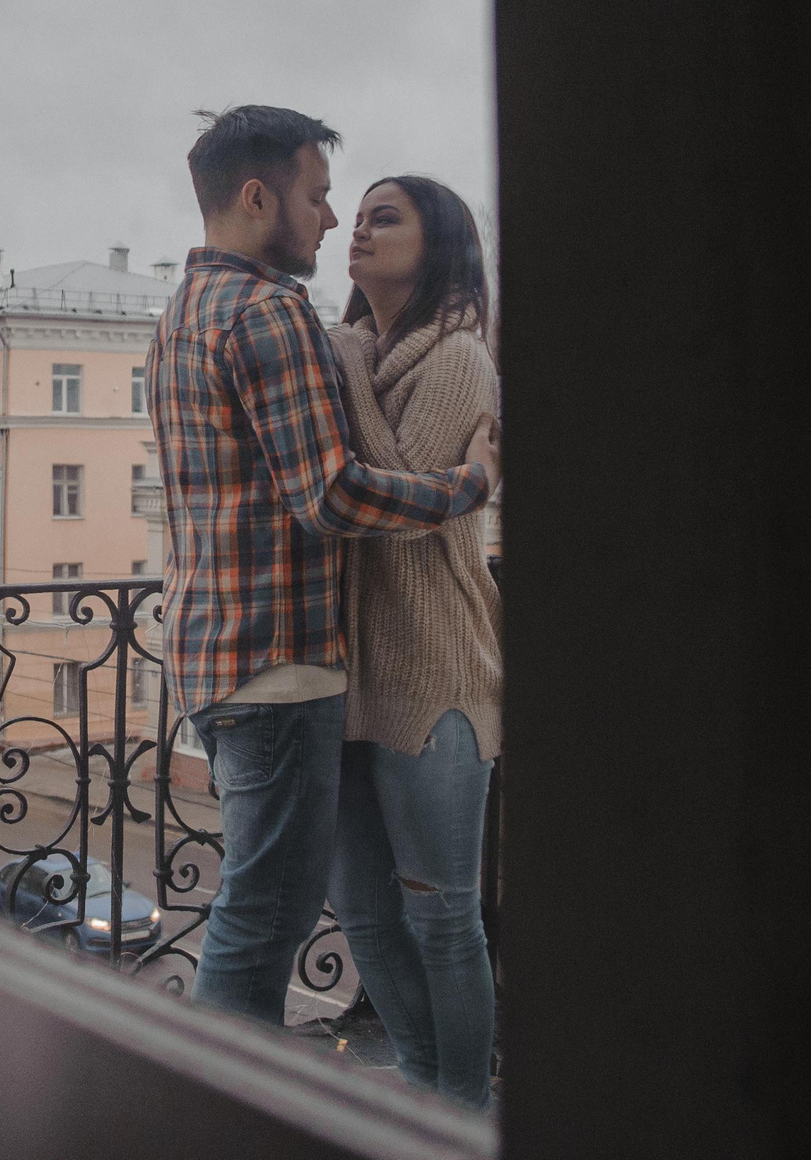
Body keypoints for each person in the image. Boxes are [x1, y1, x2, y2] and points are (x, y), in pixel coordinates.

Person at [144, 106, 497, 1031]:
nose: (332, 221)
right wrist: (469, 486)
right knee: (264, 920)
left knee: (268, 909)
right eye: (320, 196)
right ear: (260, 197)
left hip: (213, 655)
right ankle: (227, 1111)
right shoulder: (269, 313)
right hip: (281, 661)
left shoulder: (183, 308)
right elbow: (332, 498)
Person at [324, 175, 503, 1108]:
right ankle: (426, 1088)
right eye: (354, 217)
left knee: (443, 919)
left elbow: (392, 496)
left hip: (439, 669)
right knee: (359, 905)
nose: (358, 231)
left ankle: (463, 1113)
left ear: (437, 243)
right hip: (347, 668)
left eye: (383, 218)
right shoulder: (355, 346)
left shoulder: (463, 355)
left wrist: (343, 362)